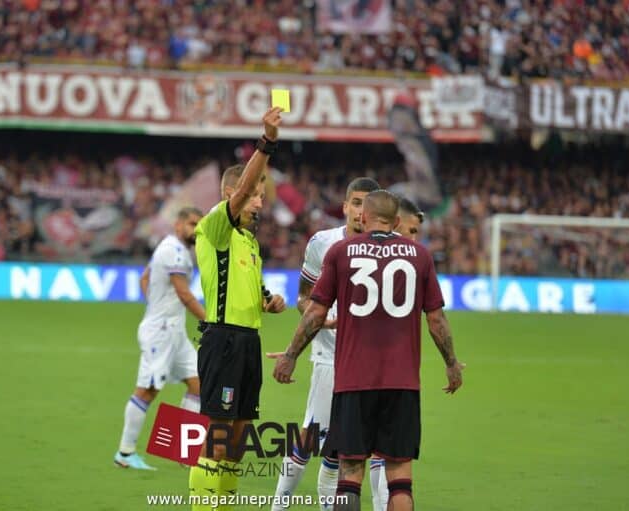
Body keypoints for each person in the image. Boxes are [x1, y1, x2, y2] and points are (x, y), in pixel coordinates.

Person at [273, 190, 465, 511]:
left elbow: (315, 311)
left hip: (352, 380)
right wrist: (451, 364)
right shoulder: (419, 255)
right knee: (400, 475)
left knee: (349, 473)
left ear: (363, 217)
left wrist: (291, 355)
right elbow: (436, 318)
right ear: (397, 221)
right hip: (402, 382)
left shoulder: (341, 252)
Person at [188, 108, 286, 510]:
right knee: (219, 434)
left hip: (248, 343)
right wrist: (267, 143)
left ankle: (222, 504)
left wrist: (269, 302)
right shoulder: (216, 227)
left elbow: (254, 291)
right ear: (234, 194)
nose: (260, 201)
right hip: (223, 341)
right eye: (256, 194)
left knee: (240, 436)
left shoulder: (248, 242)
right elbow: (245, 187)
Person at [269, 177, 386, 511]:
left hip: (371, 359)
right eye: (356, 202)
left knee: (363, 447)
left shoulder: (387, 249)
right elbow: (303, 299)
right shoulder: (322, 243)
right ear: (346, 206)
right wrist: (323, 319)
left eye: (368, 203)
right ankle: (278, 505)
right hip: (330, 353)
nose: (361, 210)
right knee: (310, 436)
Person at [113, 207, 206, 470]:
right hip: (162, 332)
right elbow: (185, 295)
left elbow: (145, 278)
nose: (195, 229)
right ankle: (125, 452)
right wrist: (210, 322)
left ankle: (181, 452)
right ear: (178, 225)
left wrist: (155, 304)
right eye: (191, 223)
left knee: (199, 382)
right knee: (148, 390)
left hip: (173, 329)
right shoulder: (175, 251)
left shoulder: (170, 248)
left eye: (199, 225)